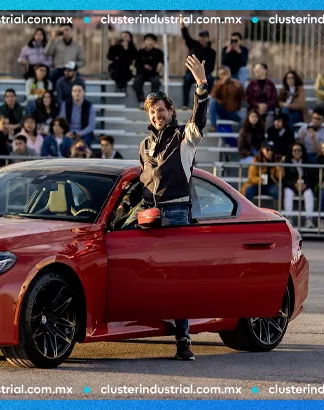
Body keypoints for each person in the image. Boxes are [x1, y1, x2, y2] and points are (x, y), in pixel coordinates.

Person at [121, 55, 209, 361]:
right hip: (148, 215)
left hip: (175, 215)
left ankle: (183, 340)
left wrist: (201, 87)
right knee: (142, 273)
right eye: (153, 111)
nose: (158, 114)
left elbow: (198, 122)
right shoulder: (144, 145)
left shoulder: (184, 139)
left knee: (176, 279)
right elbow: (141, 182)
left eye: (162, 110)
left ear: (171, 112)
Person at [180, 22, 216, 108]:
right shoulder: (194, 46)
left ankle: (206, 102)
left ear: (208, 38)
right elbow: (186, 37)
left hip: (204, 74)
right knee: (187, 79)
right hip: (192, 73)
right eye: (201, 37)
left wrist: (202, 75)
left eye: (204, 37)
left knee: (210, 79)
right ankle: (185, 103)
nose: (202, 39)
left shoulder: (212, 52)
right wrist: (182, 26)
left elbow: (211, 66)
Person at [282, 142, 316, 229]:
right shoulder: (287, 162)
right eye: (294, 150)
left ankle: (309, 220)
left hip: (304, 186)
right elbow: (285, 179)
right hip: (291, 187)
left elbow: (311, 177)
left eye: (299, 150)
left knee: (309, 194)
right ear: (291, 152)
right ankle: (289, 220)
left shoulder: (307, 162)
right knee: (288, 193)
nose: (297, 152)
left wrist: (306, 184)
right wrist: (294, 185)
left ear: (302, 152)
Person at [208, 67, 245, 131]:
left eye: (226, 73)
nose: (224, 76)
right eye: (222, 74)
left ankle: (241, 135)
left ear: (229, 74)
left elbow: (243, 97)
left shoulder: (236, 83)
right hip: (222, 111)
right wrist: (221, 84)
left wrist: (240, 87)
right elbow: (213, 96)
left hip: (233, 112)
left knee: (244, 118)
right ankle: (213, 125)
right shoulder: (218, 84)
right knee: (212, 101)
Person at [133, 34, 164, 107]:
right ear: (144, 42)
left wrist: (160, 64)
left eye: (152, 41)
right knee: (137, 82)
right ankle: (141, 100)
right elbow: (137, 64)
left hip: (153, 73)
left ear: (155, 42)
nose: (150, 42)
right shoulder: (140, 52)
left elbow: (162, 61)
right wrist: (144, 67)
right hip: (142, 73)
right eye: (148, 40)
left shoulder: (158, 52)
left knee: (156, 82)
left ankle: (151, 100)